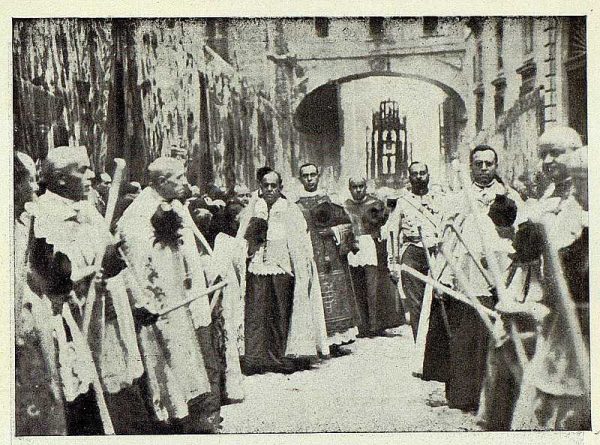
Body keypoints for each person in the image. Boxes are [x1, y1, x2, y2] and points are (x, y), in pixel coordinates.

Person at [26, 146, 146, 435]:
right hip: (77, 318)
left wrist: (118, 269)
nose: (91, 175)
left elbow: (110, 255)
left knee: (119, 386)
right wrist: (89, 274)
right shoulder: (44, 215)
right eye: (83, 170)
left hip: (108, 311)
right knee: (85, 392)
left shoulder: (88, 207)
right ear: (60, 179)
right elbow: (52, 277)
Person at [117, 157, 226, 433]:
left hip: (187, 294)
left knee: (196, 357)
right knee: (168, 364)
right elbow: (137, 260)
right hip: (163, 303)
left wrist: (208, 268)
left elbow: (191, 244)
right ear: (161, 181)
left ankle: (200, 416)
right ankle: (176, 419)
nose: (185, 183)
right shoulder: (138, 215)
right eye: (179, 178)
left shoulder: (175, 205)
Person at [510, 126, 590, 430]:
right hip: (544, 294)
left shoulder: (579, 202)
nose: (548, 160)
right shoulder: (545, 198)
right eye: (543, 154)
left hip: (574, 298)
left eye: (556, 152)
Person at [237, 169, 329, 374]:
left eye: (274, 186)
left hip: (282, 269)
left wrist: (300, 268)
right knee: (257, 313)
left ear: (280, 188)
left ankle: (281, 358)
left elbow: (300, 243)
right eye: (265, 185)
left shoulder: (290, 209)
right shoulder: (254, 208)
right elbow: (242, 239)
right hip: (257, 267)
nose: (269, 189)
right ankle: (256, 358)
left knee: (280, 313)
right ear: (260, 187)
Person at [14, 151, 68, 435]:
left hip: (35, 326)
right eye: (29, 180)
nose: (35, 187)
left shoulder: (28, 224)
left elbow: (48, 277)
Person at [386, 162, 448, 382]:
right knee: (416, 305)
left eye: (423, 173)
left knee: (439, 302)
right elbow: (392, 234)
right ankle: (422, 357)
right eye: (415, 174)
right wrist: (393, 264)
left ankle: (439, 355)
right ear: (409, 178)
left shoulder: (440, 199)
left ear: (428, 175)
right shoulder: (403, 203)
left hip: (437, 253)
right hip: (412, 252)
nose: (419, 177)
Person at [295, 163, 359, 356]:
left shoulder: (330, 199)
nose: (309, 179)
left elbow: (348, 225)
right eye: (305, 176)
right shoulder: (295, 204)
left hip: (331, 255)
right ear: (300, 179)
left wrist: (333, 230)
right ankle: (316, 341)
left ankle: (336, 341)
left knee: (335, 292)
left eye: (312, 175)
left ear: (318, 176)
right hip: (309, 254)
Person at [344, 176, 403, 337]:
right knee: (357, 286)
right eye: (354, 187)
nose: (358, 190)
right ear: (350, 189)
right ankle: (361, 325)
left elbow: (384, 221)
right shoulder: (346, 206)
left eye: (361, 186)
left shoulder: (375, 204)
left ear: (365, 187)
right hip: (354, 247)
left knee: (373, 287)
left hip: (371, 247)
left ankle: (376, 325)